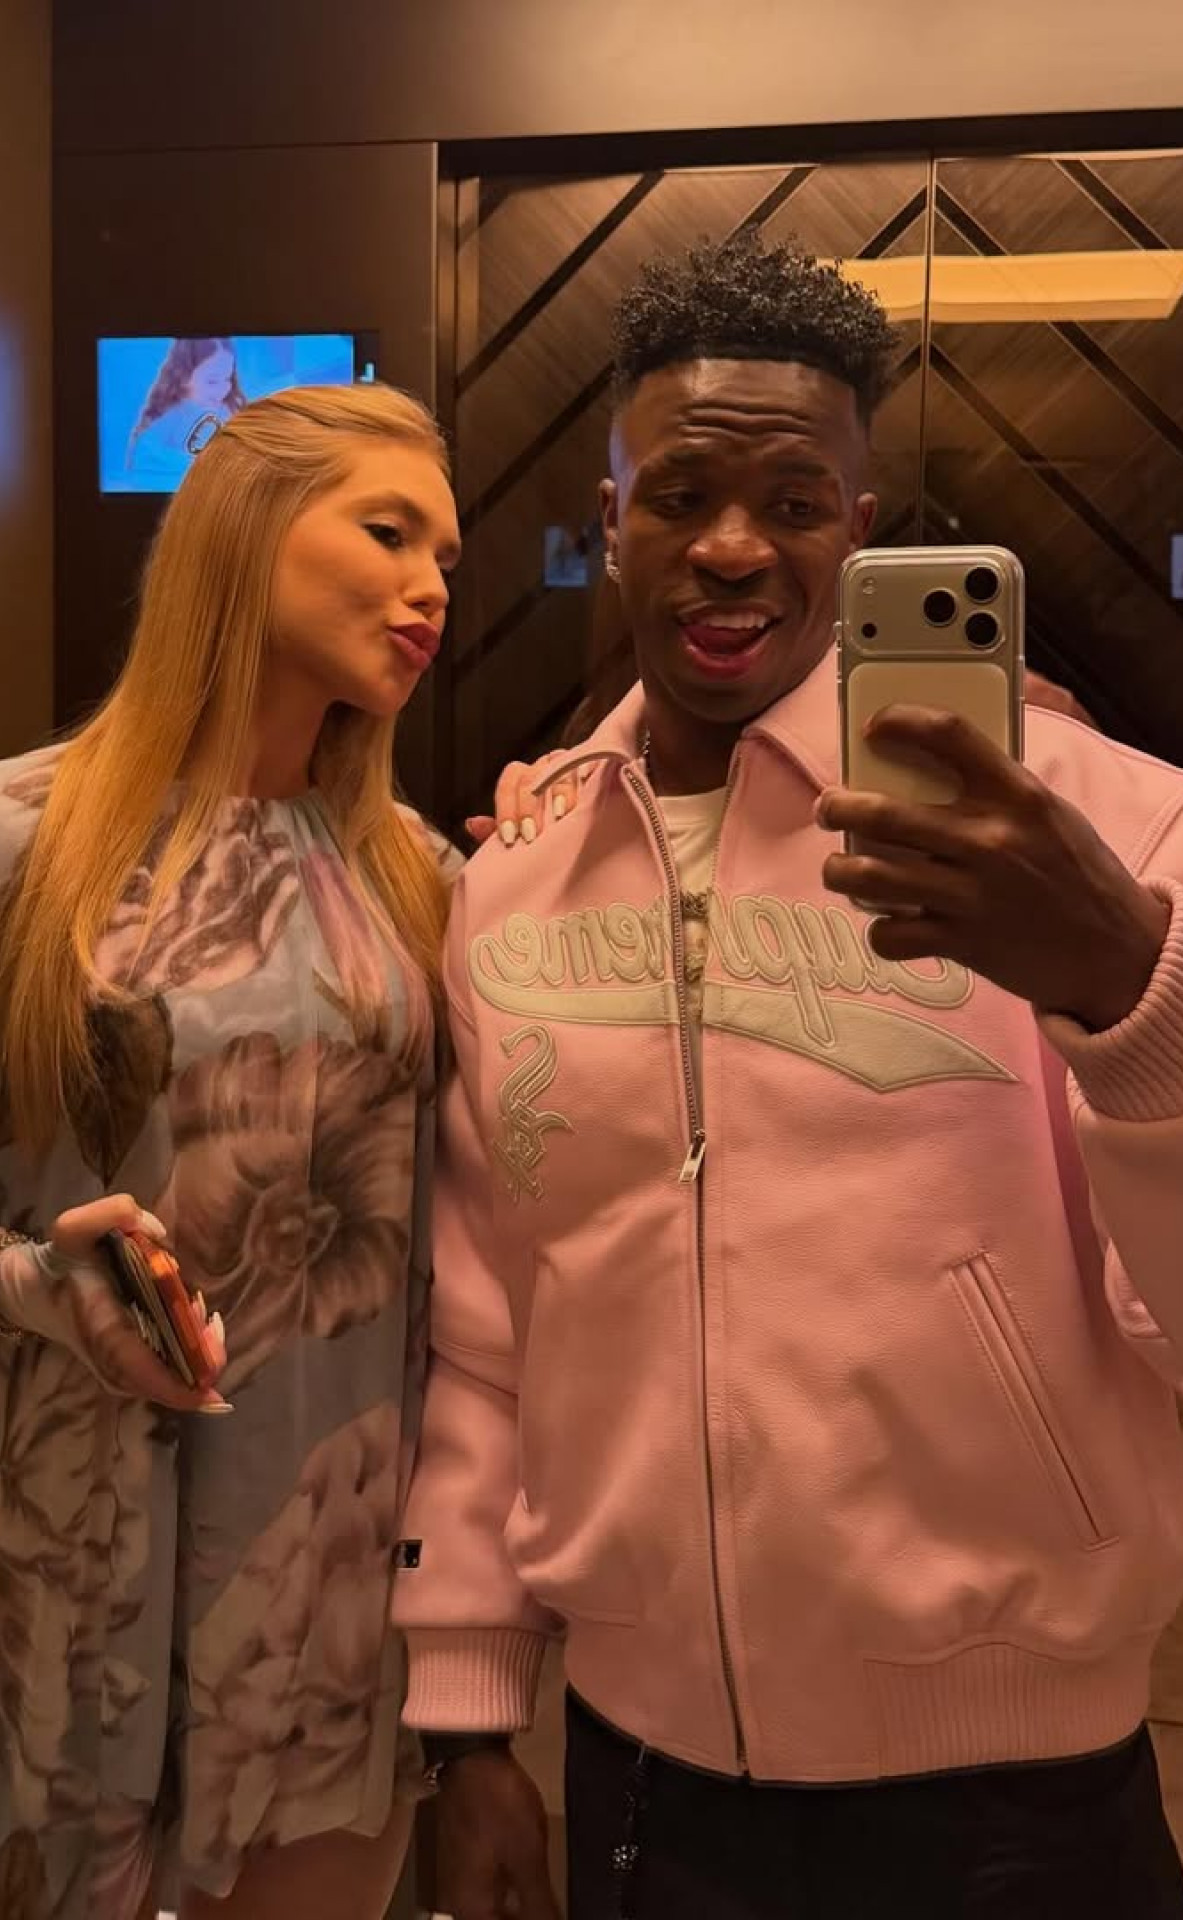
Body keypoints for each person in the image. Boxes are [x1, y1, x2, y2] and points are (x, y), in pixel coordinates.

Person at [395, 233, 1183, 1920]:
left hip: (1023, 1802)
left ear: (862, 528)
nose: (734, 546)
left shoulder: (1115, 834)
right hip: (637, 1773)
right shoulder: (514, 886)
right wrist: (467, 1723)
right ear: (612, 516)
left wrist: (1136, 1001)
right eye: (683, 495)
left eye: (795, 499)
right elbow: (489, 1332)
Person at [0, 381, 465, 1920]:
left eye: (447, 559)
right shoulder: (28, 846)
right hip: (59, 1586)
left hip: (323, 1620)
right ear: (246, 528)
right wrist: (35, 1285)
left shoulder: (416, 882)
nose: (430, 588)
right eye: (387, 532)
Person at [126, 337, 247, 480]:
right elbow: (143, 455)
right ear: (184, 377)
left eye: (227, 378)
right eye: (212, 381)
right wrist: (199, 464)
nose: (223, 389)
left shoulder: (228, 409)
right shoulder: (171, 414)